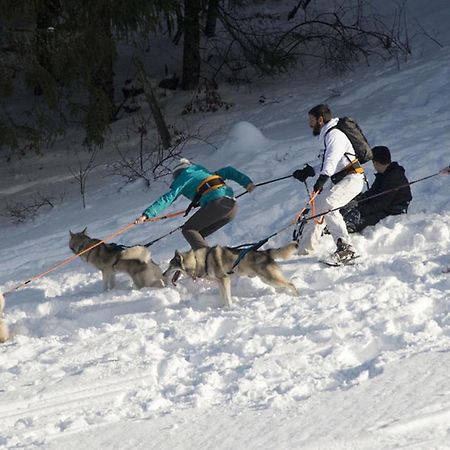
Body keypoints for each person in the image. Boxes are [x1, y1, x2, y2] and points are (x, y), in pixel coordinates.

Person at [292, 104, 365, 263]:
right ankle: (305, 251)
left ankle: (346, 249)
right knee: (316, 207)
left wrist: (321, 180)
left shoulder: (334, 135)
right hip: (342, 178)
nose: (309, 124)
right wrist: (310, 171)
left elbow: (331, 162)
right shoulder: (326, 136)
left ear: (320, 120)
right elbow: (331, 163)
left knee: (329, 203)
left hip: (353, 177)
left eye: (311, 120)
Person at [135, 158, 255, 250]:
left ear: (177, 175)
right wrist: (247, 183)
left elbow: (167, 199)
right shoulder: (203, 173)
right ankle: (198, 261)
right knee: (198, 235)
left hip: (217, 205)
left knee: (188, 229)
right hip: (231, 207)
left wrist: (147, 214)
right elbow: (229, 171)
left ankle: (207, 262)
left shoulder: (182, 179)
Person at [341, 146, 412, 233]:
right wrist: (358, 201)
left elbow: (382, 203)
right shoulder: (383, 174)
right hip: (384, 205)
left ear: (376, 163)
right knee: (355, 209)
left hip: (394, 210)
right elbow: (372, 193)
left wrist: (360, 210)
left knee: (359, 222)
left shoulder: (394, 177)